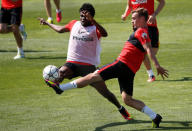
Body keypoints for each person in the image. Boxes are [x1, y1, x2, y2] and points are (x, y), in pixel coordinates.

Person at [46, 8, 169, 128]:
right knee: (127, 99)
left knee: (93, 76)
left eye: (133, 18)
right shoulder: (144, 31)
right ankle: (154, 116)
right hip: (129, 71)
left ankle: (61, 88)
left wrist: (157, 66)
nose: (131, 21)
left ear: (142, 19)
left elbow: (148, 49)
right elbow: (145, 50)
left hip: (121, 64)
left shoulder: (141, 31)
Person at [39, 3, 132, 120]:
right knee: (60, 73)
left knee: (106, 93)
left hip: (88, 67)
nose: (82, 18)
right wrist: (47, 23)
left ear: (90, 17)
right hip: (72, 62)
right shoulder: (74, 24)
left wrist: (93, 21)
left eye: (85, 16)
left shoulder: (95, 28)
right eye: (81, 15)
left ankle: (121, 108)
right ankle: (57, 87)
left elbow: (105, 33)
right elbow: (60, 29)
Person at [121, 0, 165, 82]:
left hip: (151, 25)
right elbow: (130, 6)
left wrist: (154, 14)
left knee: (153, 51)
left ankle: (151, 64)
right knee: (143, 52)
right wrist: (125, 15)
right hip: (137, 27)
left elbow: (162, 2)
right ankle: (151, 74)